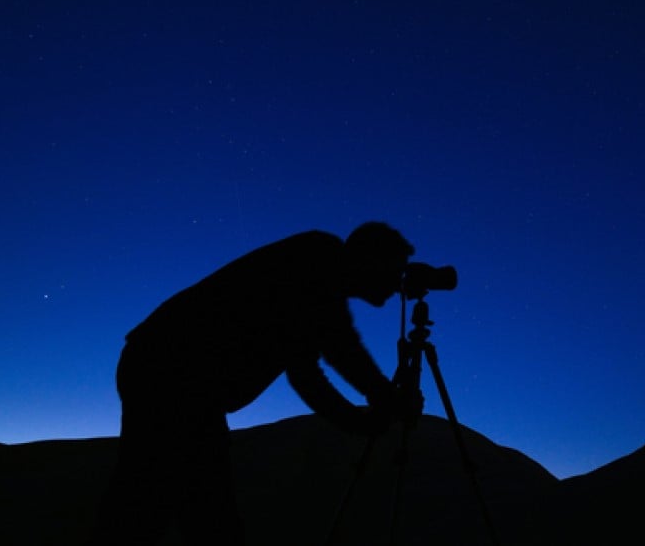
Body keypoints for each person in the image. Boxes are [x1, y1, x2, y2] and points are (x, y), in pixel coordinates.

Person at [87, 222, 415, 545]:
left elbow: (324, 364)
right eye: (394, 270)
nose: (396, 283)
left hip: (175, 377)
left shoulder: (317, 284)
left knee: (175, 500)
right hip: (170, 374)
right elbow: (330, 360)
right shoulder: (316, 259)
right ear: (370, 260)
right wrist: (376, 408)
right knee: (171, 501)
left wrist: (371, 409)